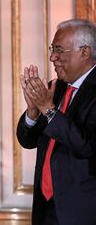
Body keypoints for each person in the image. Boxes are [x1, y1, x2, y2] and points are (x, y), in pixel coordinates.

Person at [17, 18, 96, 225]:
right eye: (53, 49)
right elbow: (27, 140)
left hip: (82, 209)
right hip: (46, 206)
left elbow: (87, 145)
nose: (53, 57)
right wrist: (33, 112)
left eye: (59, 50)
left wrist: (48, 109)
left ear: (85, 52)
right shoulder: (56, 87)